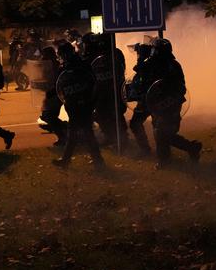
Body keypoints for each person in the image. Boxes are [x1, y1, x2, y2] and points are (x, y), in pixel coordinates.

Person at [137, 38, 201, 168]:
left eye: (154, 49)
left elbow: (181, 87)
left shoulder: (171, 66)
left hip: (170, 104)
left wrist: (169, 96)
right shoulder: (159, 64)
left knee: (161, 132)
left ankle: (165, 161)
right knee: (164, 133)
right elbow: (140, 72)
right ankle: (191, 148)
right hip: (161, 104)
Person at [52, 41, 104, 169]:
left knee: (79, 132)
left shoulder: (76, 66)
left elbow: (92, 83)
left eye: (61, 54)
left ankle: (67, 160)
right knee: (82, 132)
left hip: (80, 104)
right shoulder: (80, 64)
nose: (60, 57)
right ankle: (97, 160)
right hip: (79, 103)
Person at [85, 32, 128, 149]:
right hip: (102, 91)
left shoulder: (116, 53)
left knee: (117, 114)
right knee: (102, 114)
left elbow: (121, 69)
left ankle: (122, 139)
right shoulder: (97, 54)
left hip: (115, 89)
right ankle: (111, 136)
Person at [126, 41, 155, 155]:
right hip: (148, 100)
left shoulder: (147, 64)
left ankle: (146, 149)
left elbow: (139, 70)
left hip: (148, 101)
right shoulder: (150, 63)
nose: (137, 55)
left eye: (139, 53)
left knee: (135, 123)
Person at [35, 45, 67, 144]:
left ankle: (64, 135)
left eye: (44, 55)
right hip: (50, 94)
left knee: (49, 116)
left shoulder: (56, 66)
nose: (42, 57)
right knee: (47, 116)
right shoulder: (47, 66)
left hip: (55, 94)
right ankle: (67, 129)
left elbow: (55, 81)